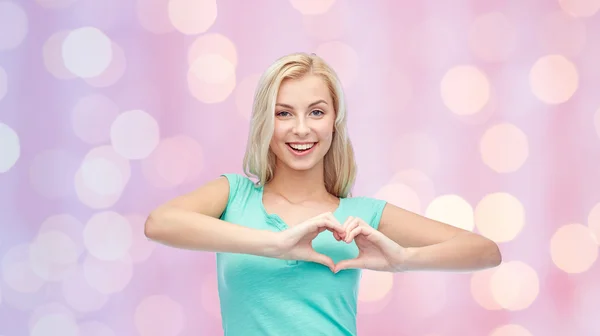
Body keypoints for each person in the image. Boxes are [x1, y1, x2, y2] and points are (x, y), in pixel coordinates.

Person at [144, 52, 502, 336]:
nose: (301, 129)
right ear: (266, 123)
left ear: (335, 121)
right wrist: (275, 244)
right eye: (284, 113)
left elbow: (485, 252)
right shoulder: (233, 196)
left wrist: (402, 259)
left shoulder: (362, 215)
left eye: (316, 112)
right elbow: (160, 223)